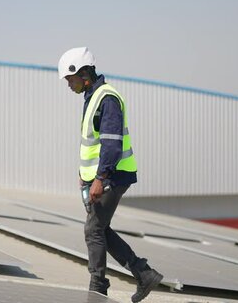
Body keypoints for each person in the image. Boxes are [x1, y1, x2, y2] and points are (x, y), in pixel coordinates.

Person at [58, 47, 163, 302]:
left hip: (114, 175)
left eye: (70, 80)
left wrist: (101, 178)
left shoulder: (107, 98)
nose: (68, 85)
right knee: (100, 229)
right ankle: (143, 273)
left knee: (92, 229)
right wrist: (84, 174)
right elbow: (91, 143)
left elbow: (112, 144)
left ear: (83, 74)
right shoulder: (93, 96)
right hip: (101, 176)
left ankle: (98, 287)